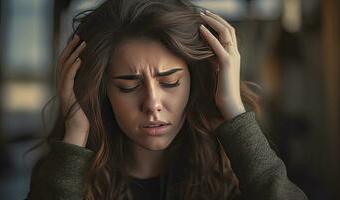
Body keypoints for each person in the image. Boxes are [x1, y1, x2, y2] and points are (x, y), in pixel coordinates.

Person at [26, 0, 308, 199]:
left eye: (170, 82)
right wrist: (74, 132)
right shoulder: (62, 171)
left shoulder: (230, 169)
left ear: (194, 81)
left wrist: (233, 109)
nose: (152, 104)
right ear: (101, 91)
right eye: (127, 86)